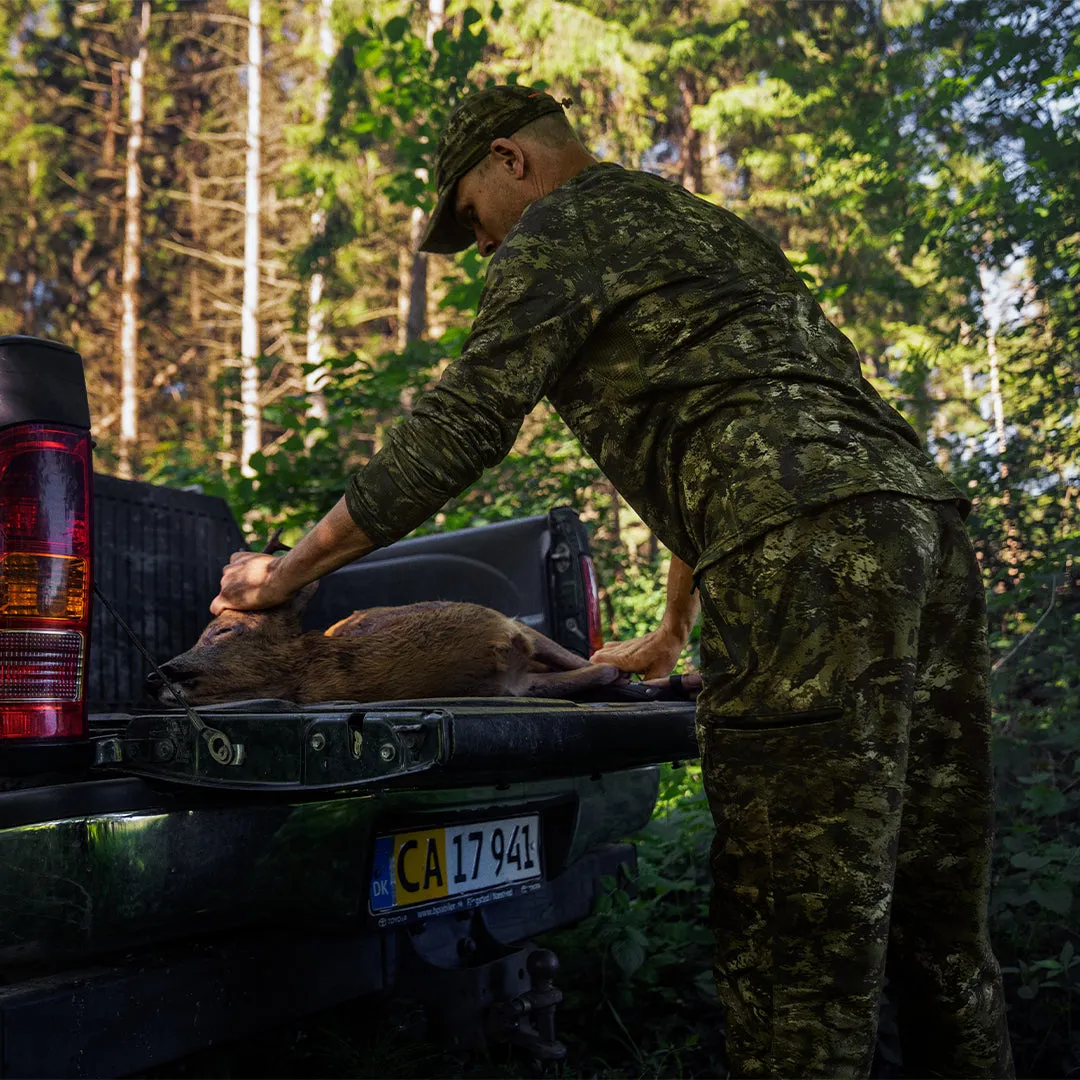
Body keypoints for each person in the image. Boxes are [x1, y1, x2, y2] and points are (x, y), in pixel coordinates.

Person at [210, 85, 1014, 1079]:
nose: (488, 248)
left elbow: (462, 427)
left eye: (472, 219)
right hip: (925, 532)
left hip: (806, 556)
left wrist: (279, 576)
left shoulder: (557, 229)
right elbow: (751, 432)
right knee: (941, 926)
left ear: (513, 161)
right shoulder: (702, 229)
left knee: (797, 944)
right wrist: (672, 629)